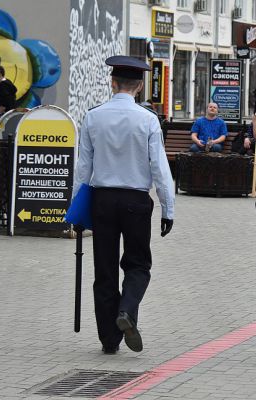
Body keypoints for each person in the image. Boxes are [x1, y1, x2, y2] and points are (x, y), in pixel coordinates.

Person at [73, 55, 175, 354]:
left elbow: (83, 168)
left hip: (101, 200)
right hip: (135, 201)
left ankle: (108, 339)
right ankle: (127, 311)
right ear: (140, 86)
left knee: (104, 270)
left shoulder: (93, 116)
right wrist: (168, 209)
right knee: (138, 264)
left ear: (112, 82)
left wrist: (76, 209)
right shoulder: (148, 120)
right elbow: (159, 168)